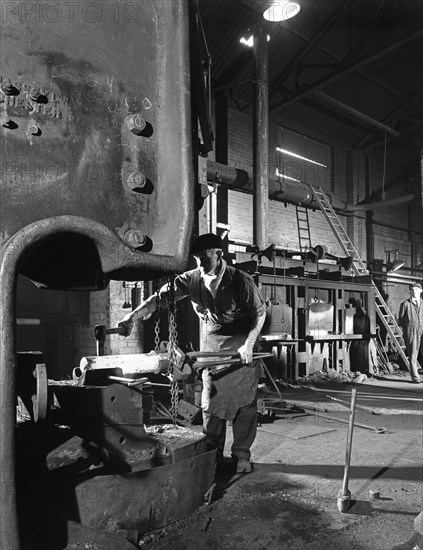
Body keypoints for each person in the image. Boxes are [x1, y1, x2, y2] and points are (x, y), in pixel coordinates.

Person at [118, 233, 266, 473]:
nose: (199, 263)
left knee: (244, 405)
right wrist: (131, 317)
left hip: (241, 343)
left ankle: (241, 456)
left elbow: (260, 313)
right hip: (211, 345)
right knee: (211, 402)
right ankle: (213, 455)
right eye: (196, 258)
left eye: (204, 257)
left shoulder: (241, 280)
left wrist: (249, 343)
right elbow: (159, 299)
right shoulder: (192, 279)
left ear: (219, 255)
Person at [398, 281, 423, 384]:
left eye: (416, 289)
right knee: (413, 355)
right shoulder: (405, 304)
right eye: (412, 290)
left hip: (422, 329)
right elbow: (401, 320)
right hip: (411, 331)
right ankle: (415, 377)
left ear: (421, 291)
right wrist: (409, 327)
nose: (414, 291)